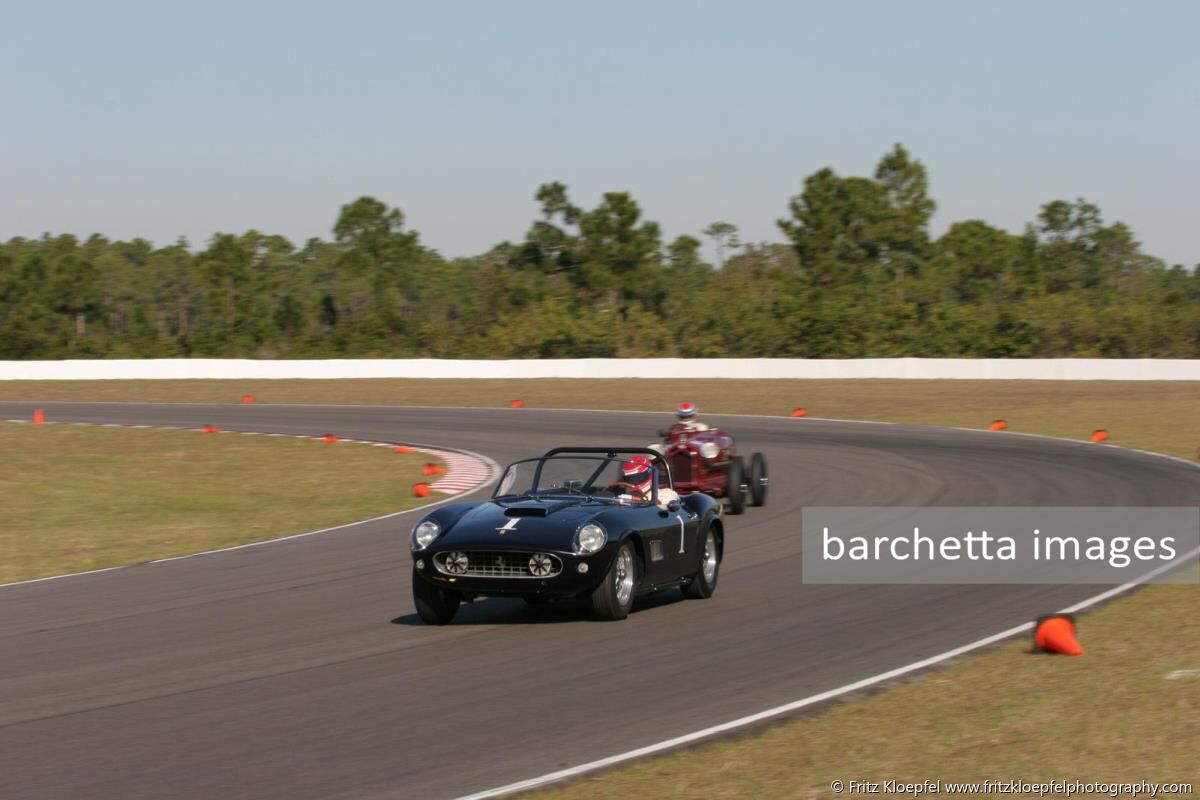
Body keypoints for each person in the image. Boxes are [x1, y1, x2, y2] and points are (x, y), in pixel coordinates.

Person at [613, 455, 680, 509]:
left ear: (649, 473)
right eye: (628, 479)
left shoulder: (666, 493)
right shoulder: (624, 495)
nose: (632, 482)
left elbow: (661, 504)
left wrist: (635, 501)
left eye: (636, 478)